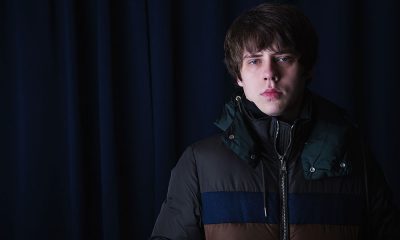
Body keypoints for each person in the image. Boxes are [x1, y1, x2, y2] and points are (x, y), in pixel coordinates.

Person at [150, 3, 400, 240]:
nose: (270, 74)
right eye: (255, 60)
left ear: (306, 69)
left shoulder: (356, 160)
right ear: (239, 76)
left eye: (283, 58)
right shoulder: (199, 164)